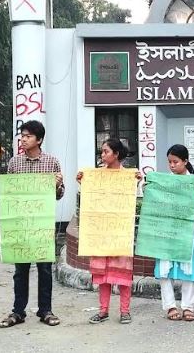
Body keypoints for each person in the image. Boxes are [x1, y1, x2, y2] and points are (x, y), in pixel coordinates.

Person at [1, 120, 65, 329]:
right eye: (22, 136)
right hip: (20, 224)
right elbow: (9, 193)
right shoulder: (14, 163)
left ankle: (45, 310)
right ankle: (18, 311)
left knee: (45, 269)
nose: (23, 139)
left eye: (28, 136)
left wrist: (57, 186)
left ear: (39, 139)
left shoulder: (52, 162)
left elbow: (59, 195)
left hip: (42, 225)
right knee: (20, 270)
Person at [78, 138, 141, 325]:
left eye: (106, 151)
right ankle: (103, 310)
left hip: (119, 233)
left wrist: (136, 182)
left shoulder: (128, 176)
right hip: (101, 233)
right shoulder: (96, 176)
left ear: (116, 154)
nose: (103, 155)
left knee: (123, 275)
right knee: (103, 275)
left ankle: (125, 311)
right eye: (102, 151)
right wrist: (82, 182)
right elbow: (92, 198)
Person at [146, 144, 194, 323]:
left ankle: (188, 306)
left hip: (188, 231)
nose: (172, 165)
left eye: (176, 162)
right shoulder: (164, 182)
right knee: (165, 267)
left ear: (185, 161)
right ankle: (170, 306)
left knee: (189, 267)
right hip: (167, 230)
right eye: (170, 162)